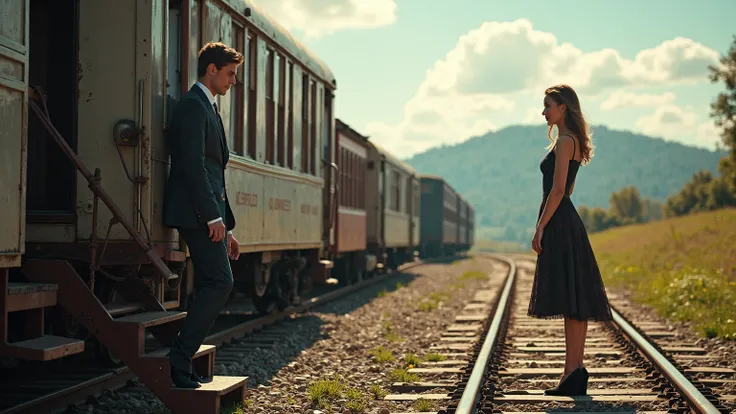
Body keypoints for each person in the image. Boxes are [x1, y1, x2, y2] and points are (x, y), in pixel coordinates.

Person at [163, 42, 244, 388]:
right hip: (194, 212)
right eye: (230, 74)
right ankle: (180, 361)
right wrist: (212, 218)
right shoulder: (194, 107)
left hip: (206, 213)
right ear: (211, 69)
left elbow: (215, 173)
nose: (233, 81)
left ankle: (183, 359)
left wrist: (225, 226)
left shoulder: (208, 107)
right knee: (220, 281)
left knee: (217, 281)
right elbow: (194, 168)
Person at [527, 84, 613, 396]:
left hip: (559, 222)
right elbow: (568, 189)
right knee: (573, 300)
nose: (543, 112)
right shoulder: (572, 141)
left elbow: (559, 189)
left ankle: (571, 373)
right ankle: (573, 371)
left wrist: (540, 227)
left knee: (571, 300)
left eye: (547, 105)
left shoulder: (564, 141)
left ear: (563, 108)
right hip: (566, 220)